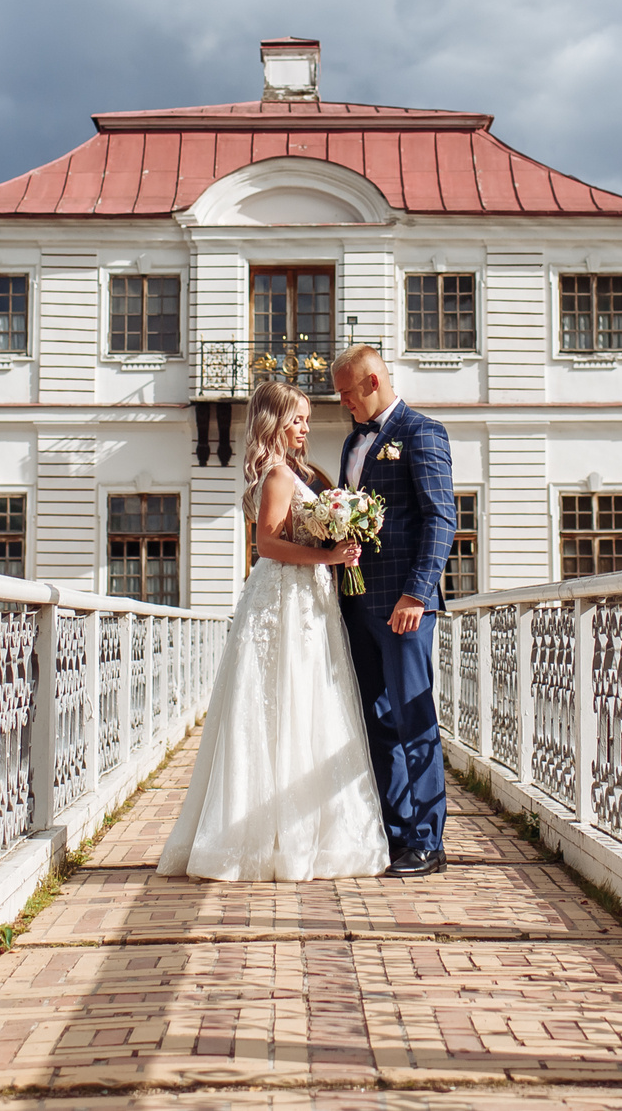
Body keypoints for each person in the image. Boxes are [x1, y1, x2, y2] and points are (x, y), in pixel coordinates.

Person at [156, 379, 391, 881]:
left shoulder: (285, 471)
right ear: (275, 424)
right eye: (297, 420)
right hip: (285, 597)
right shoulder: (280, 475)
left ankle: (282, 831)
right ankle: (275, 838)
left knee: (291, 704)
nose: (305, 428)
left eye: (306, 419)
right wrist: (328, 555)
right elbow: (266, 544)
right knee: (286, 703)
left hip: (298, 597)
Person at [330, 344, 456, 877]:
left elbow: (440, 519)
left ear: (373, 381)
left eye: (346, 393)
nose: (342, 405)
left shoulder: (422, 433)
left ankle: (429, 840)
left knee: (414, 719)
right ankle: (396, 833)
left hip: (404, 607)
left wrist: (418, 594)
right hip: (358, 604)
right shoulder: (351, 444)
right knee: (377, 722)